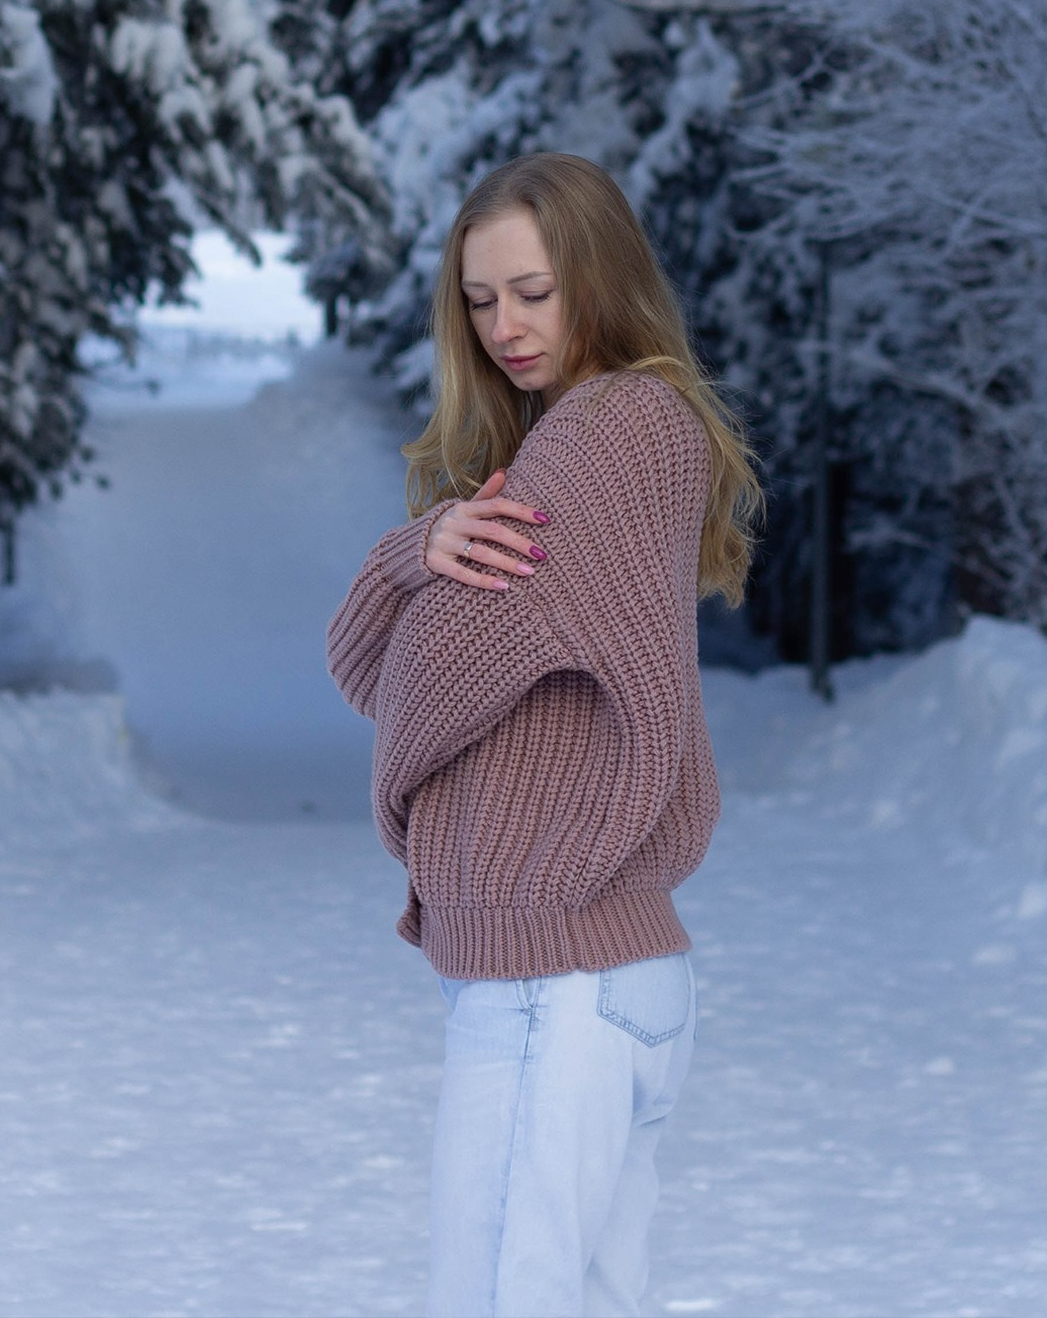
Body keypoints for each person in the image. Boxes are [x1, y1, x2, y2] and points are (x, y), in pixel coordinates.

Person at [327, 151, 761, 1318]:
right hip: (609, 971)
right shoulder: (624, 429)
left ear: (599, 276)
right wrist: (417, 554)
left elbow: (413, 667)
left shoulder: (603, 431)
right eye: (478, 300)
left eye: (533, 290)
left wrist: (410, 578)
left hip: (553, 978)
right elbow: (383, 668)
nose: (505, 326)